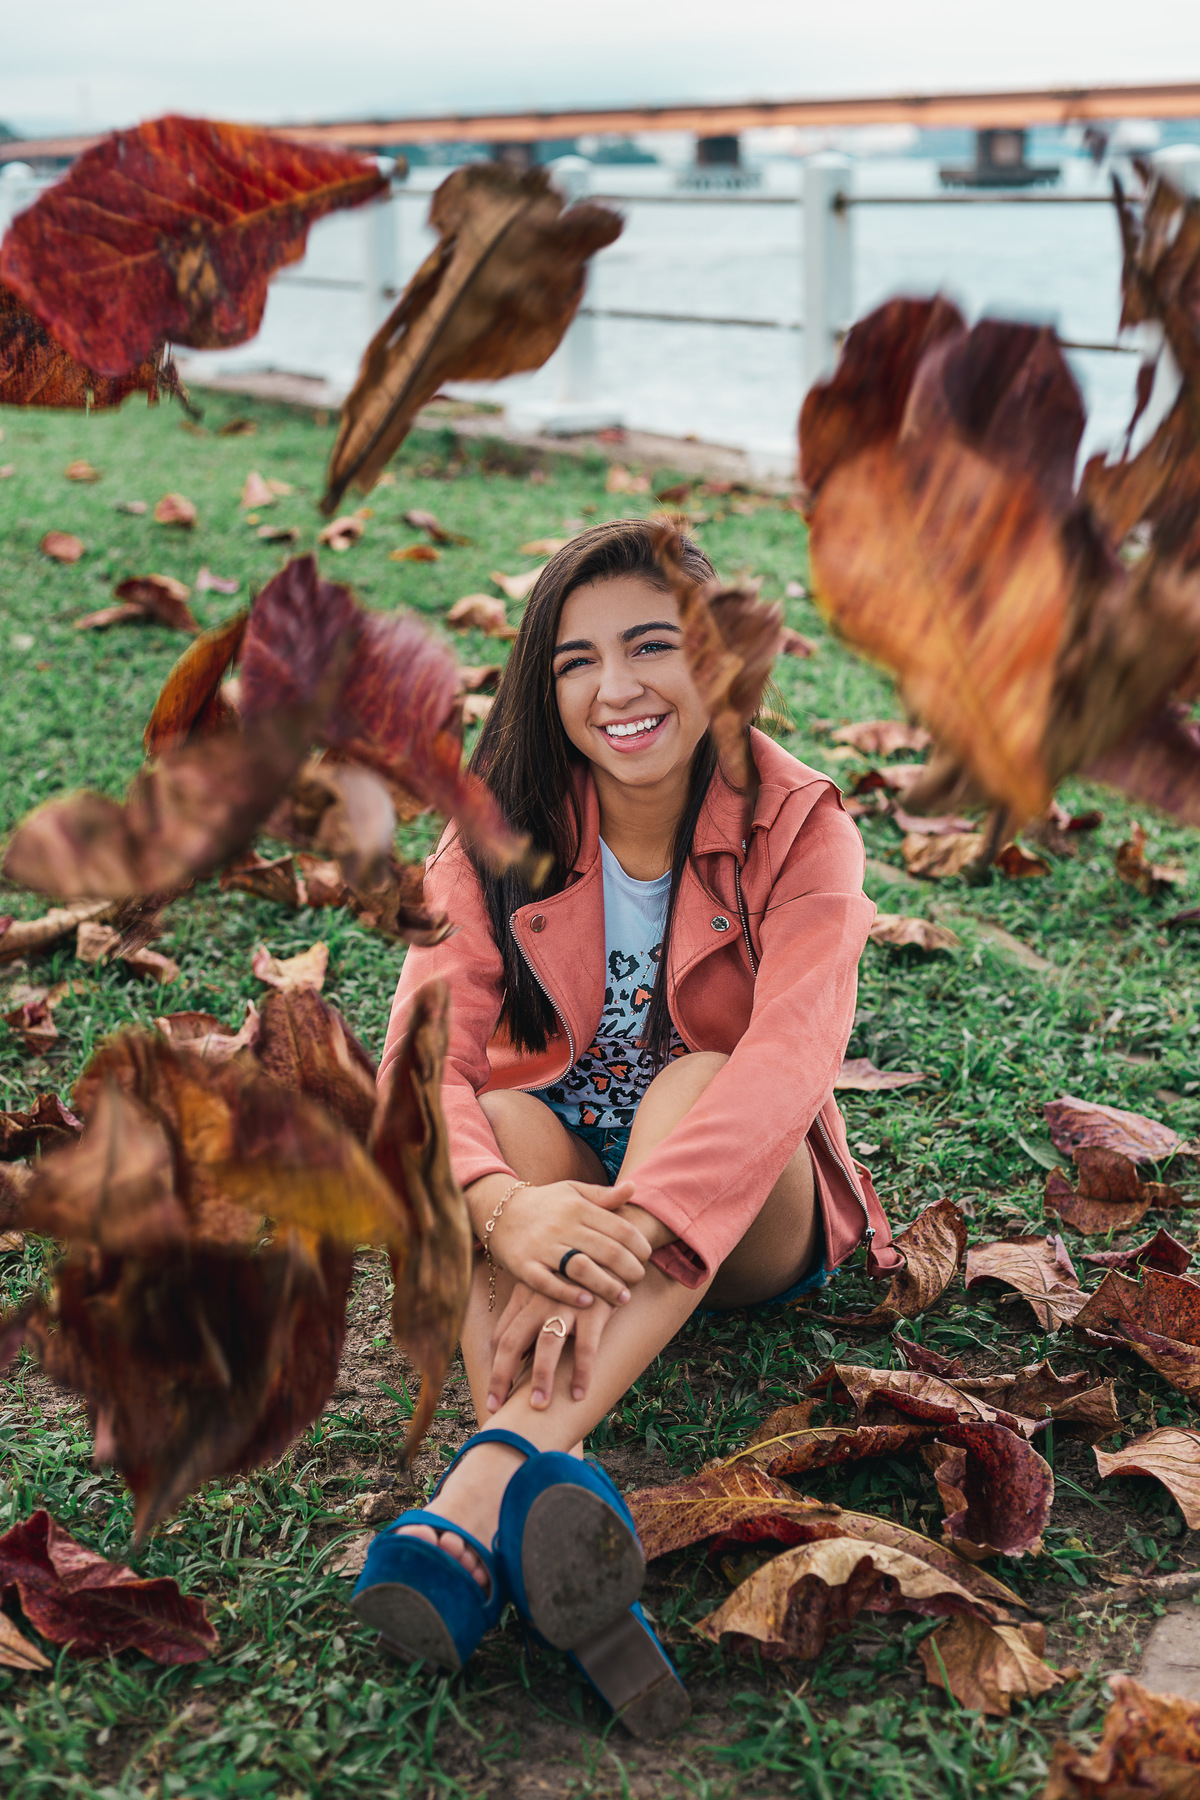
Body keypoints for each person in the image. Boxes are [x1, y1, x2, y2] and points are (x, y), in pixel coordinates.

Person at [351, 520, 898, 1738]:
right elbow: (422, 1057)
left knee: (696, 1082)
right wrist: (503, 1206)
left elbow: (785, 1070)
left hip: (745, 1208)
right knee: (489, 1112)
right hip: (560, 1177)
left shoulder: (806, 825)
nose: (618, 689)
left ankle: (479, 1486)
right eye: (577, 661)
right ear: (549, 689)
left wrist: (634, 1215)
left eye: (653, 647)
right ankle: (541, 1519)